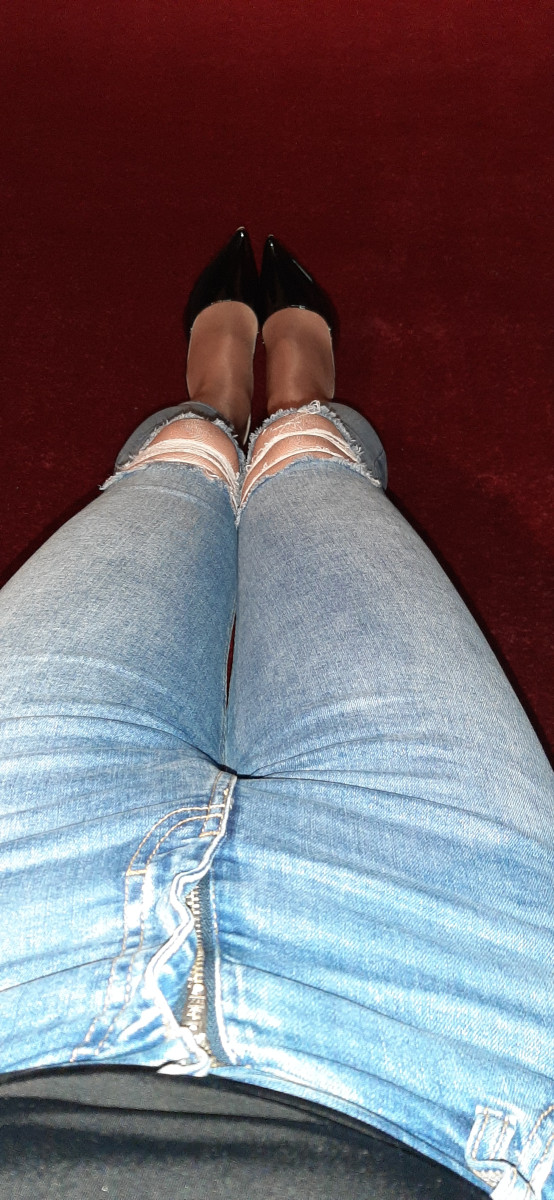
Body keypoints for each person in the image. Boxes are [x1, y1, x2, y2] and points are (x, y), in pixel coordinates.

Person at [0, 227, 552, 1199]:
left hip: (22, 959)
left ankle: (212, 408)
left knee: (171, 475)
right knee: (312, 474)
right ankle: (297, 409)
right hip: (462, 1032)